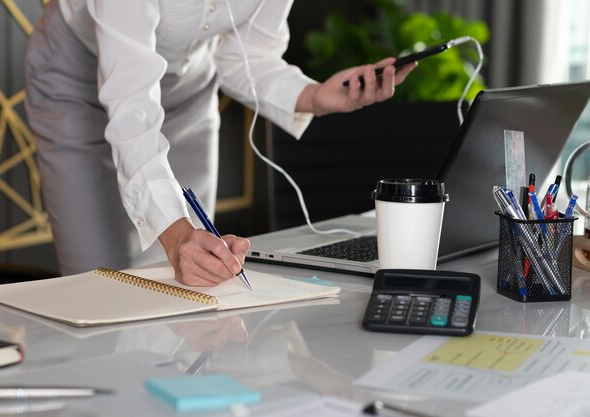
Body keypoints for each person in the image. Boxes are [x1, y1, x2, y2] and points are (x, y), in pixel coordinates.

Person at [24, 0, 416, 286]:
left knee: (187, 282)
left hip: (187, 90)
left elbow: (246, 58)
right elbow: (132, 110)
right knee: (97, 286)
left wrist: (315, 96)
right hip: (76, 83)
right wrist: (176, 235)